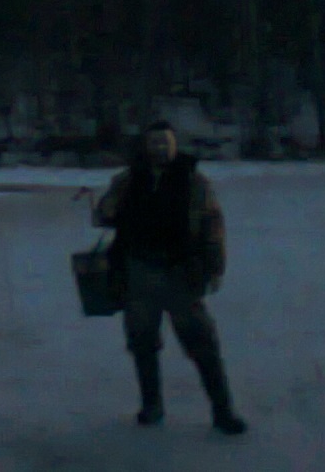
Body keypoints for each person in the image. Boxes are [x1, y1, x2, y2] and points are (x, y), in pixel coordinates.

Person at [93, 119, 247, 434]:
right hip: (139, 272)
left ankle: (223, 411)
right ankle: (152, 406)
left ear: (175, 145)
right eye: (155, 142)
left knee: (202, 343)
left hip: (181, 273)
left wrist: (214, 267)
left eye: (166, 142)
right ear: (145, 146)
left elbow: (212, 225)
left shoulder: (194, 181)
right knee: (142, 343)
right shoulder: (128, 179)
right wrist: (107, 205)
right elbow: (103, 216)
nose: (161, 148)